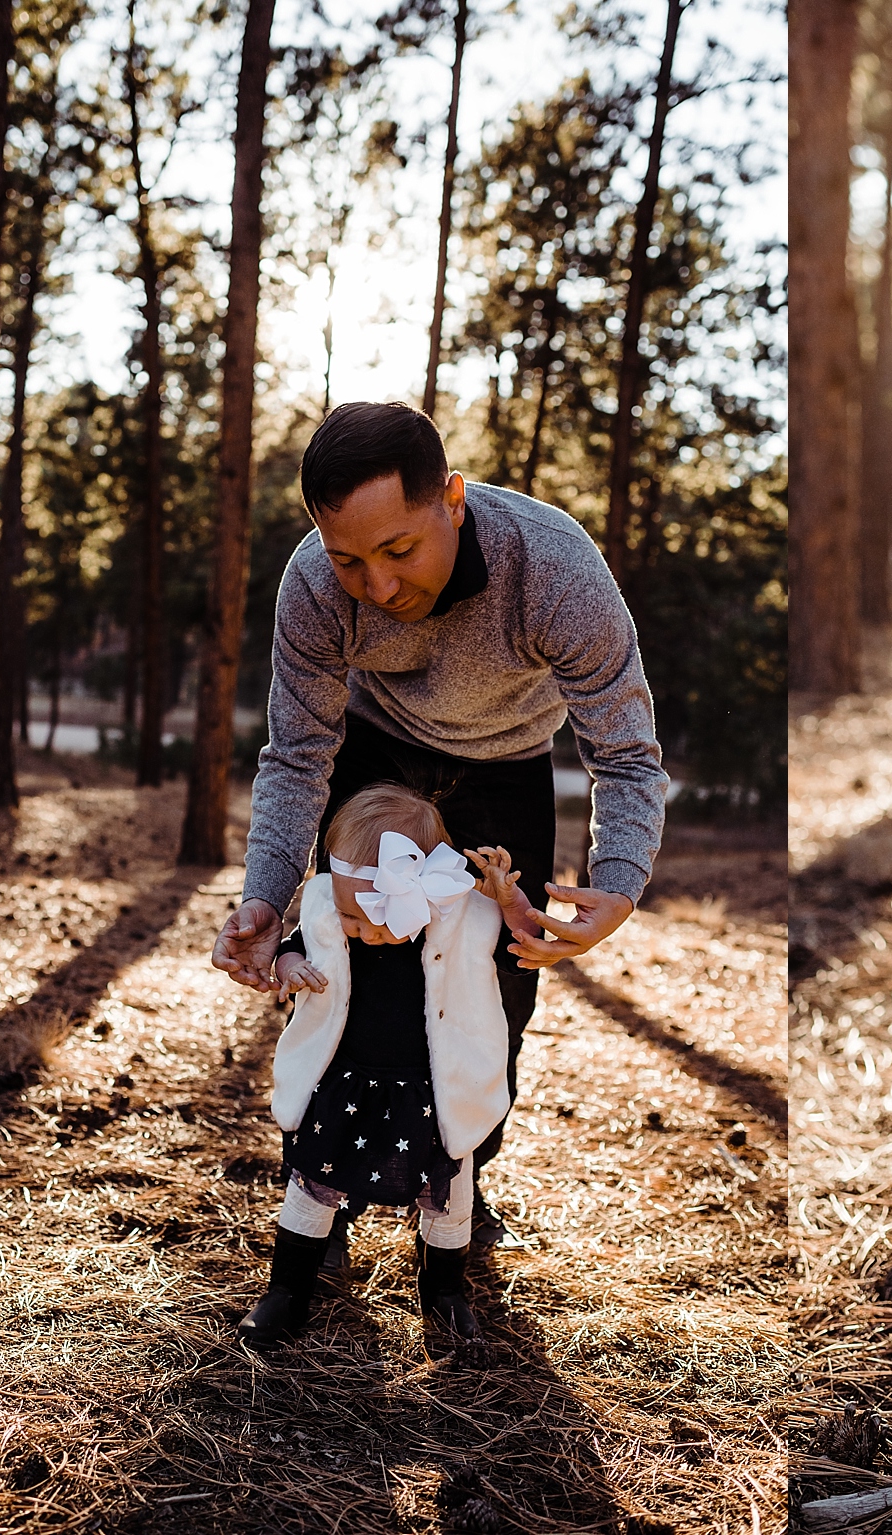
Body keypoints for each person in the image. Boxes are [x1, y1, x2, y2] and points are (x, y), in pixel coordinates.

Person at [210, 402, 669, 1257]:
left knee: (500, 986)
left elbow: (626, 753)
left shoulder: (555, 569)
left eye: (398, 550)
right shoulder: (312, 585)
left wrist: (619, 880)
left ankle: (455, 1186)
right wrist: (266, 897)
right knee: (344, 964)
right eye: (349, 559)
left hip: (508, 762)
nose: (378, 587)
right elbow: (297, 756)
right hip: (375, 749)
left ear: (452, 500)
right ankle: (322, 1190)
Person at [238, 782, 540, 1352]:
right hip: (344, 1081)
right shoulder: (333, 904)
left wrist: (510, 902)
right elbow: (301, 938)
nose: (356, 928)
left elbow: (526, 948)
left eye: (367, 917)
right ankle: (287, 1289)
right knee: (312, 1184)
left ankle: (444, 1292)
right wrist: (290, 964)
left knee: (449, 1197)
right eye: (348, 915)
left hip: (433, 1090)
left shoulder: (469, 918)